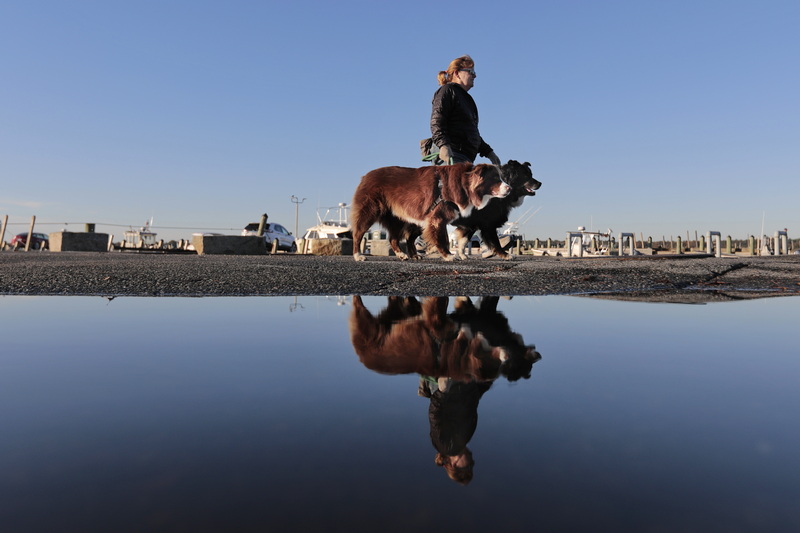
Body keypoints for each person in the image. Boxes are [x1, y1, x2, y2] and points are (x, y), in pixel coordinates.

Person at [430, 55, 501, 166]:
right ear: (457, 73)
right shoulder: (447, 91)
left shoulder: (466, 98)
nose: (474, 76)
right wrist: (443, 145)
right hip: (451, 153)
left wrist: (488, 151)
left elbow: (469, 132)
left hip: (464, 157)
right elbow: (437, 120)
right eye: (470, 72)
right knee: (449, 184)